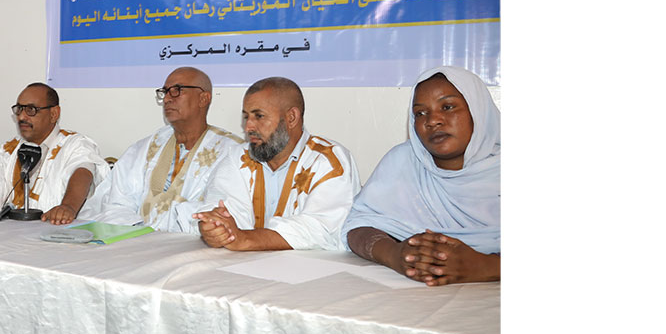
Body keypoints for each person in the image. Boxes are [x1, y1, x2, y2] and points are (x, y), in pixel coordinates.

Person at [342, 66, 500, 286]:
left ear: (478, 111)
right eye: (420, 113)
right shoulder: (404, 161)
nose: (433, 120)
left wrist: (485, 267)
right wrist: (395, 255)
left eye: (447, 107)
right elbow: (357, 227)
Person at [190, 77, 361, 251]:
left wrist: (245, 239)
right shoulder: (238, 156)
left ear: (291, 118)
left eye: (259, 116)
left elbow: (319, 229)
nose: (248, 127)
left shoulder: (328, 160)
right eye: (246, 117)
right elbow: (221, 208)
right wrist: (215, 228)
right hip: (248, 264)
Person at [78, 67, 244, 231]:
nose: (167, 99)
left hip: (193, 244)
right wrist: (142, 232)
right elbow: (116, 202)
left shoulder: (232, 152)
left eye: (177, 90)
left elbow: (222, 211)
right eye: (165, 92)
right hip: (136, 240)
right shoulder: (145, 148)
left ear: (203, 98)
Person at [0, 83, 108, 225]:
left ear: (54, 114)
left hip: (56, 232)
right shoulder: (12, 148)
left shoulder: (75, 144)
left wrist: (68, 207)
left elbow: (83, 174)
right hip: (10, 234)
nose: (21, 117)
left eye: (31, 109)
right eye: (19, 109)